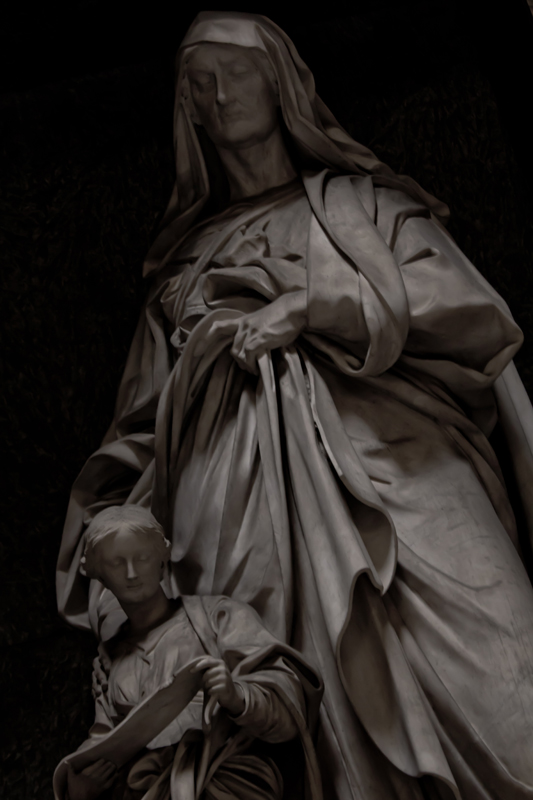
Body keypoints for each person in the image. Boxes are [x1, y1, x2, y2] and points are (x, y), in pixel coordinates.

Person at [56, 11, 533, 799]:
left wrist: (310, 307)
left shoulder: (362, 206)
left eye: (235, 70)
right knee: (285, 731)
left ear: (280, 81)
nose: (219, 91)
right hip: (233, 510)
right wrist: (113, 552)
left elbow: (468, 309)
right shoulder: (180, 270)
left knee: (508, 685)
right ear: (190, 113)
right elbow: (138, 437)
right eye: (198, 83)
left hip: (403, 470)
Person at [54, 505, 323, 800]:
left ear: (161, 559)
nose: (131, 573)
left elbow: (290, 708)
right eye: (117, 563)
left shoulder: (219, 618)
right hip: (144, 789)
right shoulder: (110, 658)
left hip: (225, 782)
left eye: (142, 558)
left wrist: (238, 698)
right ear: (99, 574)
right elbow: (103, 742)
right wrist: (79, 789)